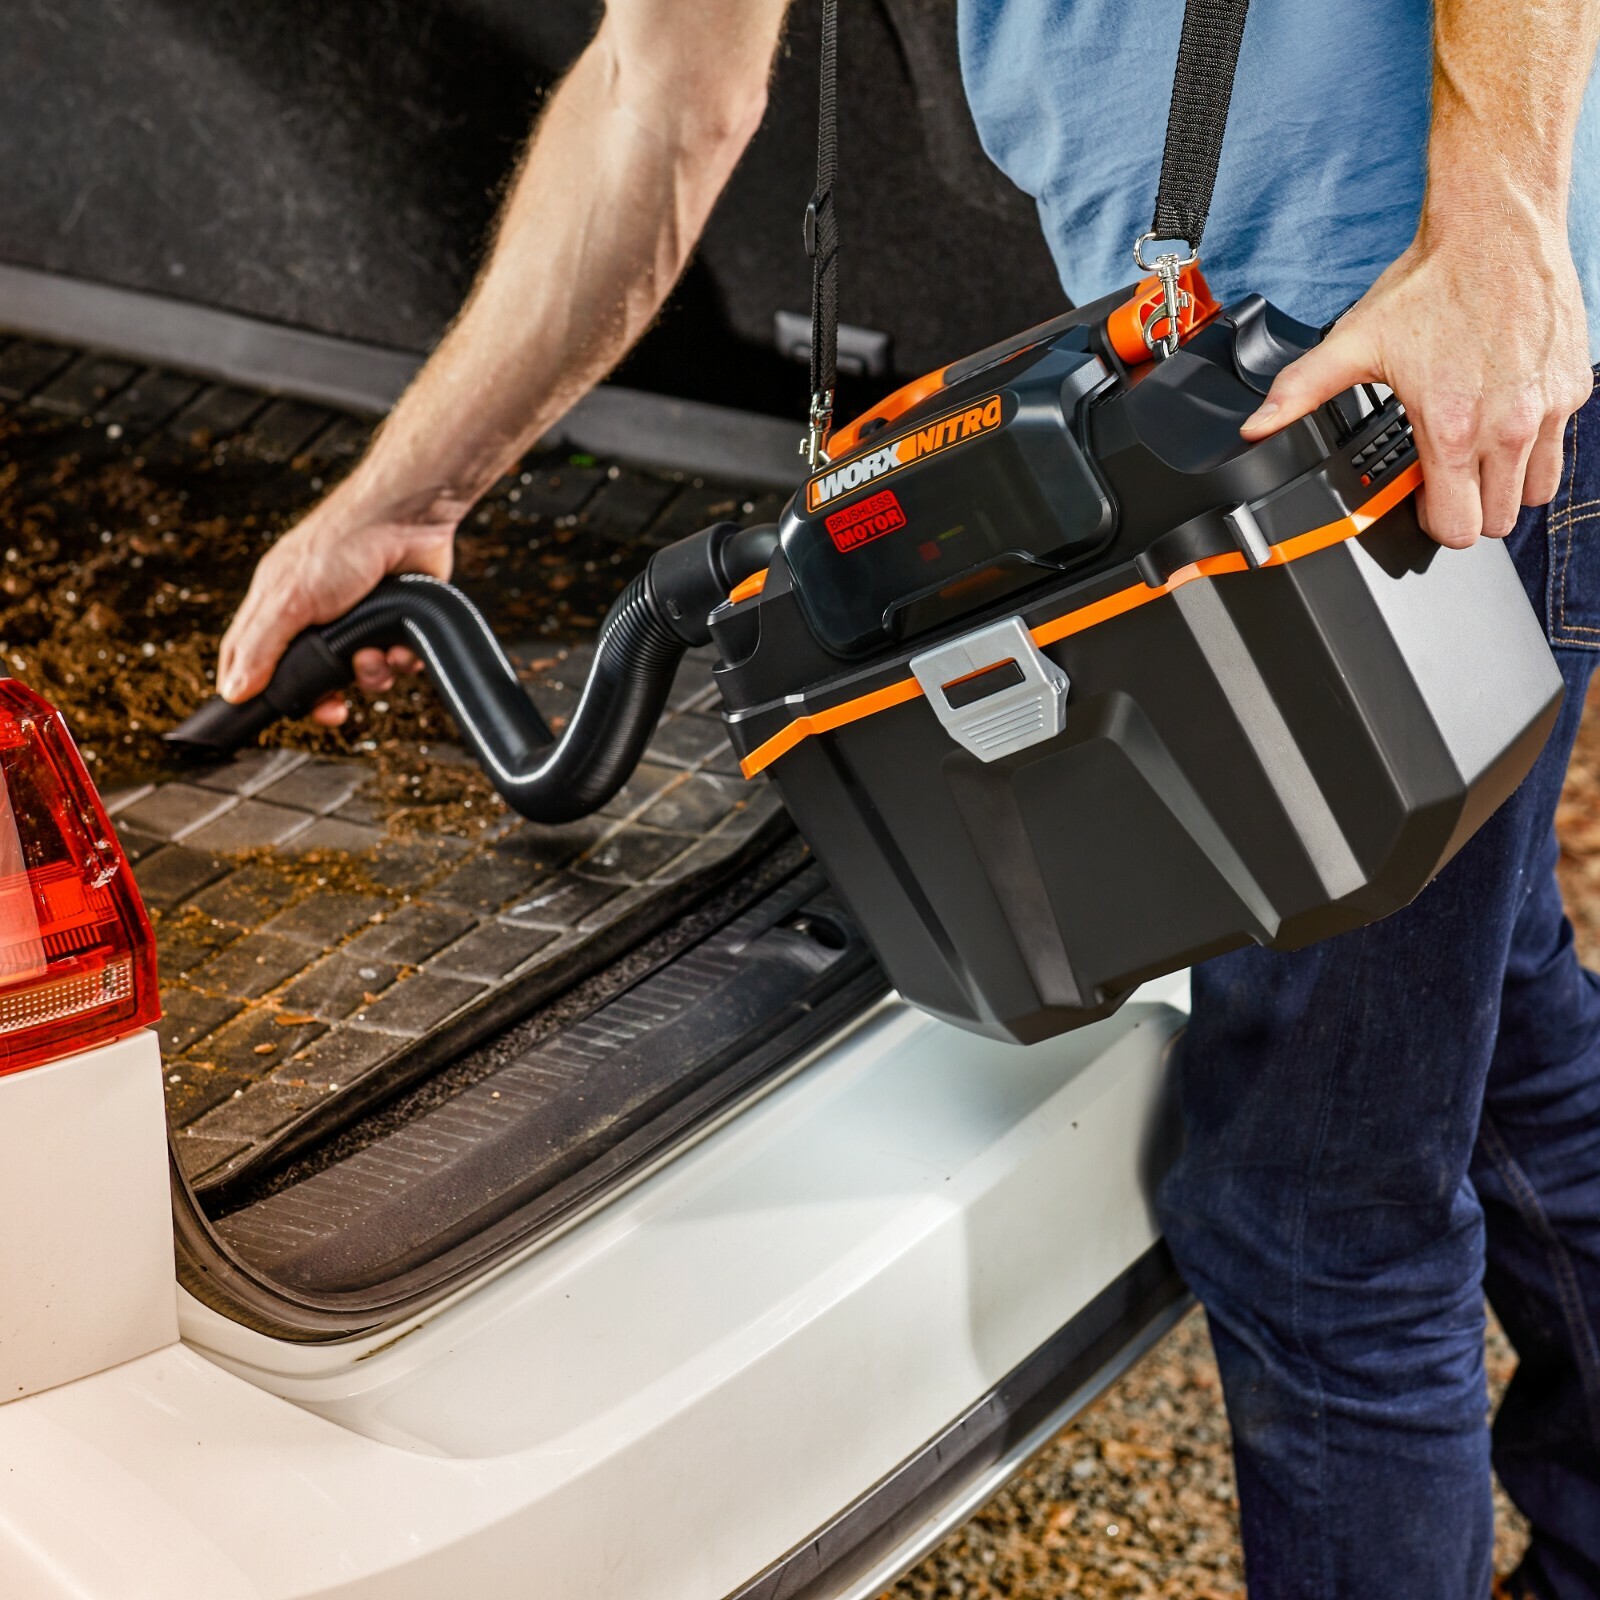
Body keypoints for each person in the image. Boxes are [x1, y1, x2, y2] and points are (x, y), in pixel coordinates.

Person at [216, 2, 1600, 1595]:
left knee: (1314, 1212)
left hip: (1395, 385)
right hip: (1324, 372)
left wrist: (1496, 234)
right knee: (1490, 1007)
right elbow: (659, 96)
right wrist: (404, 498)